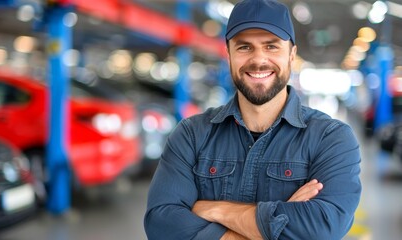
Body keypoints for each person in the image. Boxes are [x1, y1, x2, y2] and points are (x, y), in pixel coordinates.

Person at [144, 0, 362, 239]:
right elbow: (161, 223)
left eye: (271, 47)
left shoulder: (330, 138)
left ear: (291, 55)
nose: (259, 59)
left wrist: (215, 209)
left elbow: (323, 227)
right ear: (228, 55)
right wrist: (279, 223)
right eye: (244, 47)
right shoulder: (191, 134)